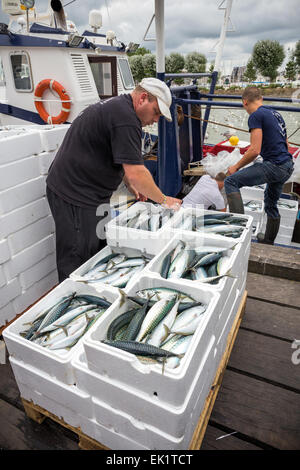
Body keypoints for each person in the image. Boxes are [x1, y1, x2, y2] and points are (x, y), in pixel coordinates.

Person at [46, 77, 182, 282]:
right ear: (143, 98)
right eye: (156, 113)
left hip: (91, 195)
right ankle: (72, 297)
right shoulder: (126, 118)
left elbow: (122, 159)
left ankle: (92, 293)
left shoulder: (120, 108)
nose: (156, 120)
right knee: (76, 258)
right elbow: (138, 173)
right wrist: (164, 199)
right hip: (74, 194)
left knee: (96, 250)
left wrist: (129, 183)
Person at [224, 86, 294, 245]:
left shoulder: (255, 116)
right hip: (288, 165)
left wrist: (235, 166)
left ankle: (238, 235)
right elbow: (286, 144)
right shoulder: (276, 114)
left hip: (275, 166)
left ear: (245, 102)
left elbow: (255, 150)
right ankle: (268, 242)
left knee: (231, 181)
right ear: (260, 99)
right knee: (270, 203)